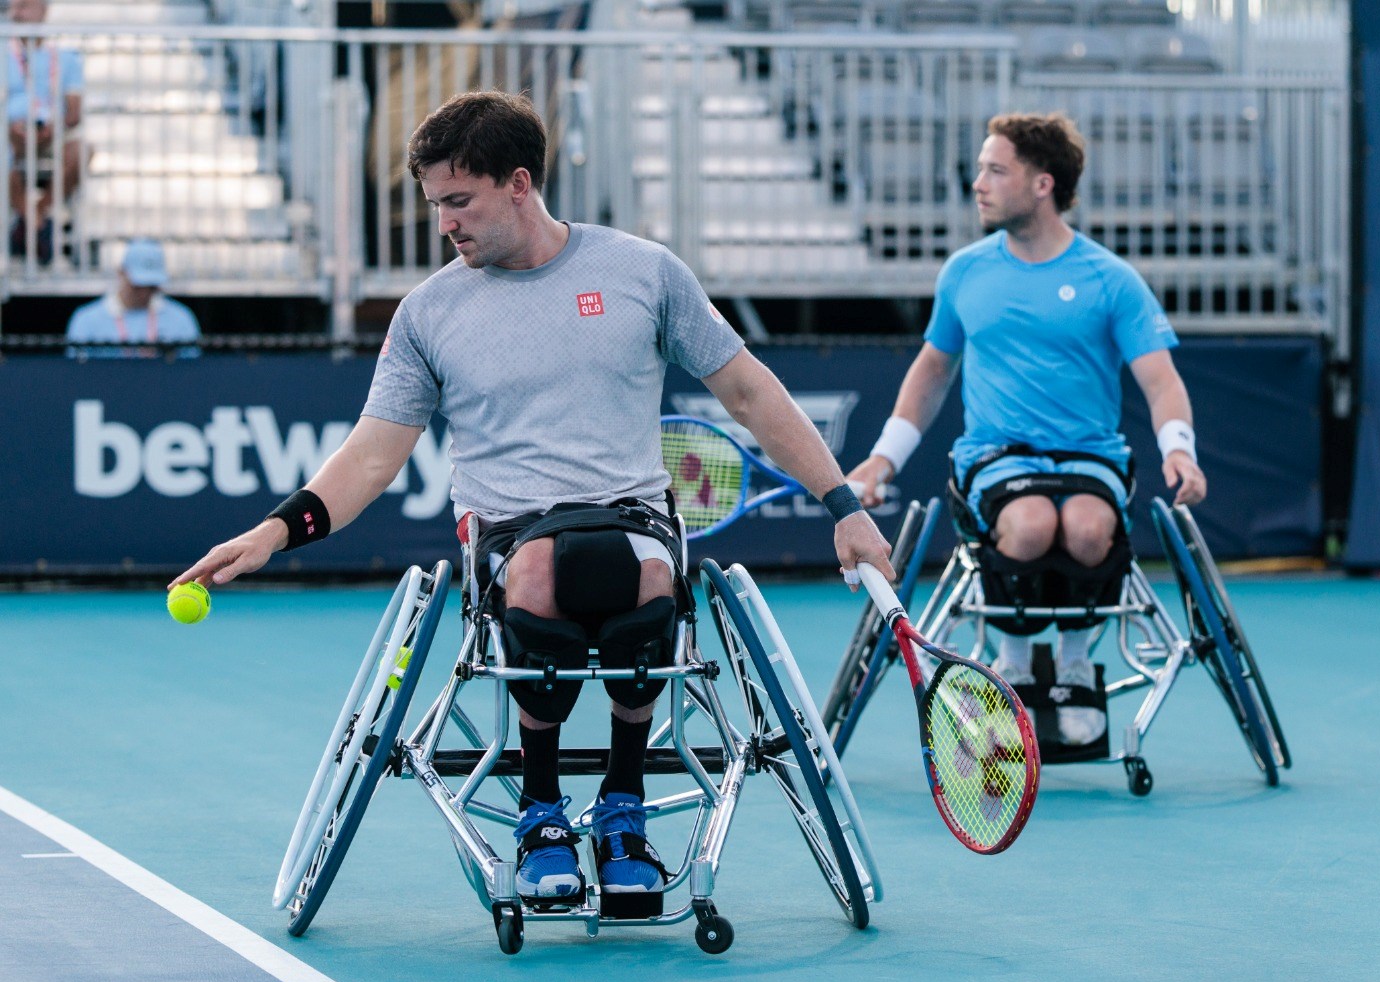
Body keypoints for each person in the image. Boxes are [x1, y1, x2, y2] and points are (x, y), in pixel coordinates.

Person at [171, 91, 892, 914]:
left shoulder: (643, 272)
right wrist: (273, 532)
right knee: (545, 571)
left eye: (458, 201)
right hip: (509, 532)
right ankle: (541, 812)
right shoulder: (428, 314)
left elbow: (750, 393)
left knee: (648, 576)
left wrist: (845, 506)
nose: (445, 222)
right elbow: (371, 457)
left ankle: (624, 811)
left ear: (519, 183)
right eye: (436, 203)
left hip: (634, 516)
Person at [847, 112, 1206, 748]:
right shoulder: (964, 272)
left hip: (1088, 457)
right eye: (980, 168)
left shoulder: (1110, 278)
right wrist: (883, 461)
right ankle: (1011, 665)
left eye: (995, 169)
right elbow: (932, 373)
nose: (977, 182)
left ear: (1042, 184)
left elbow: (1161, 380)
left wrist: (1180, 451)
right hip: (996, 459)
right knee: (1034, 523)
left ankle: (1073, 666)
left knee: (1090, 529)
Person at [6, 0, 86, 264]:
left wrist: (55, 128)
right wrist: (10, 129)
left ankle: (32, 217)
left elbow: (74, 112)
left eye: (24, 7)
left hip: (52, 133)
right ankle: (38, 223)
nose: (16, 14)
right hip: (8, 133)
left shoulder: (66, 58)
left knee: (82, 151)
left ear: (43, 11)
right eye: (13, 8)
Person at [65, 240, 201, 359]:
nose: (145, 292)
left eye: (152, 286)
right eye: (138, 285)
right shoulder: (86, 320)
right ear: (121, 273)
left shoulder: (181, 319)